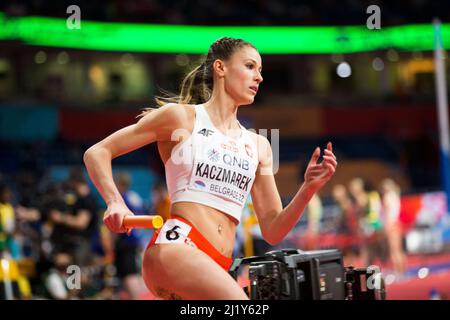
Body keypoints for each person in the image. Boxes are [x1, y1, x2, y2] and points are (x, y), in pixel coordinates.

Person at [83, 37, 337, 300]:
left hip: (218, 263)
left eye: (260, 70)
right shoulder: (181, 118)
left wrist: (308, 189)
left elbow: (273, 230)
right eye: (250, 66)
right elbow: (97, 152)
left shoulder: (260, 145)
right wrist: (115, 203)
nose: (259, 77)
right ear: (220, 68)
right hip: (177, 248)